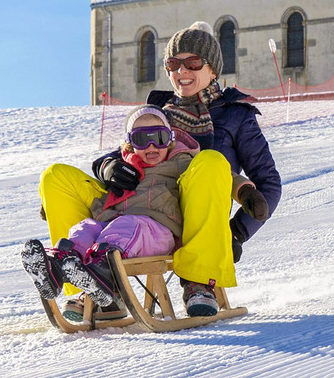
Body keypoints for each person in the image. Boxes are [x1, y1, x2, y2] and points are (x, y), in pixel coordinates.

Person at [35, 21, 281, 319]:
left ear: (213, 69)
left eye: (193, 62)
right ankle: (87, 284)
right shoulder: (158, 114)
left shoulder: (236, 116)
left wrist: (237, 232)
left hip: (184, 216)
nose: (182, 71)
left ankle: (198, 282)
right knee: (56, 177)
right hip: (137, 202)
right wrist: (107, 166)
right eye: (174, 63)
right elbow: (127, 150)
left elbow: (267, 184)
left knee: (212, 161)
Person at [23, 105, 208, 314]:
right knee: (87, 227)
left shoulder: (181, 161)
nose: (151, 145)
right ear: (129, 144)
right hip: (119, 228)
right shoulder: (123, 165)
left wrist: (244, 190)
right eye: (141, 139)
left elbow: (214, 173)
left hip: (158, 231)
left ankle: (101, 272)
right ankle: (60, 267)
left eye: (159, 137)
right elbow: (100, 169)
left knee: (125, 225)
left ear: (171, 139)